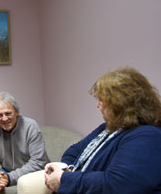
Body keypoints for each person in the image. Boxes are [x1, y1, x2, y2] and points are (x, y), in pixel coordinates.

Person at [18, 66, 161, 194]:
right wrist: (66, 169)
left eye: (102, 100)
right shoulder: (107, 128)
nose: (98, 105)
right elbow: (73, 151)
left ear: (120, 103)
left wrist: (65, 179)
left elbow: (116, 184)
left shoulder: (147, 136)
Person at [0, 91, 50, 194]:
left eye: (8, 113)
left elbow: (38, 162)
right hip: (4, 172)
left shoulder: (31, 126)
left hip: (30, 173)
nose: (4, 118)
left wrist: (9, 178)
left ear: (17, 112)